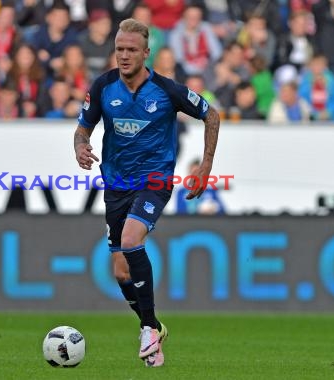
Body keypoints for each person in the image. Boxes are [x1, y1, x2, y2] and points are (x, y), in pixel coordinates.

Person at [74, 18, 220, 367]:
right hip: (116, 184)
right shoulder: (103, 87)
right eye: (119, 50)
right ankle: (151, 326)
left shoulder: (167, 90)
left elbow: (211, 115)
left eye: (131, 50)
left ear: (146, 53)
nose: (124, 56)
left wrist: (205, 167)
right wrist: (80, 147)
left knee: (131, 237)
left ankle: (149, 331)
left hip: (154, 179)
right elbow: (83, 129)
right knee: (121, 272)